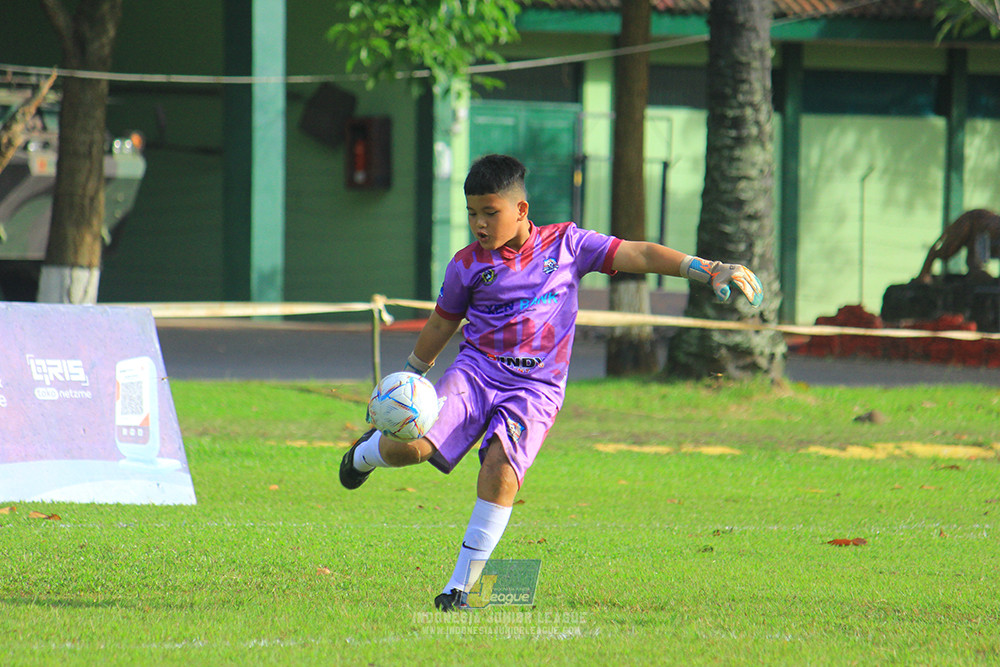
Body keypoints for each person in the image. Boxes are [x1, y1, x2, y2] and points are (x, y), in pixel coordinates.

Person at [340, 154, 763, 611]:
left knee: (502, 470)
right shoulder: (465, 265)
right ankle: (364, 454)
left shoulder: (568, 244)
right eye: (471, 214)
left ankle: (460, 589)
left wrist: (704, 268)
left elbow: (637, 252)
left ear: (521, 210)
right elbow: (443, 324)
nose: (479, 224)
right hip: (476, 372)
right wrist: (411, 377)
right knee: (413, 448)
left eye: (489, 212)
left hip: (537, 390)